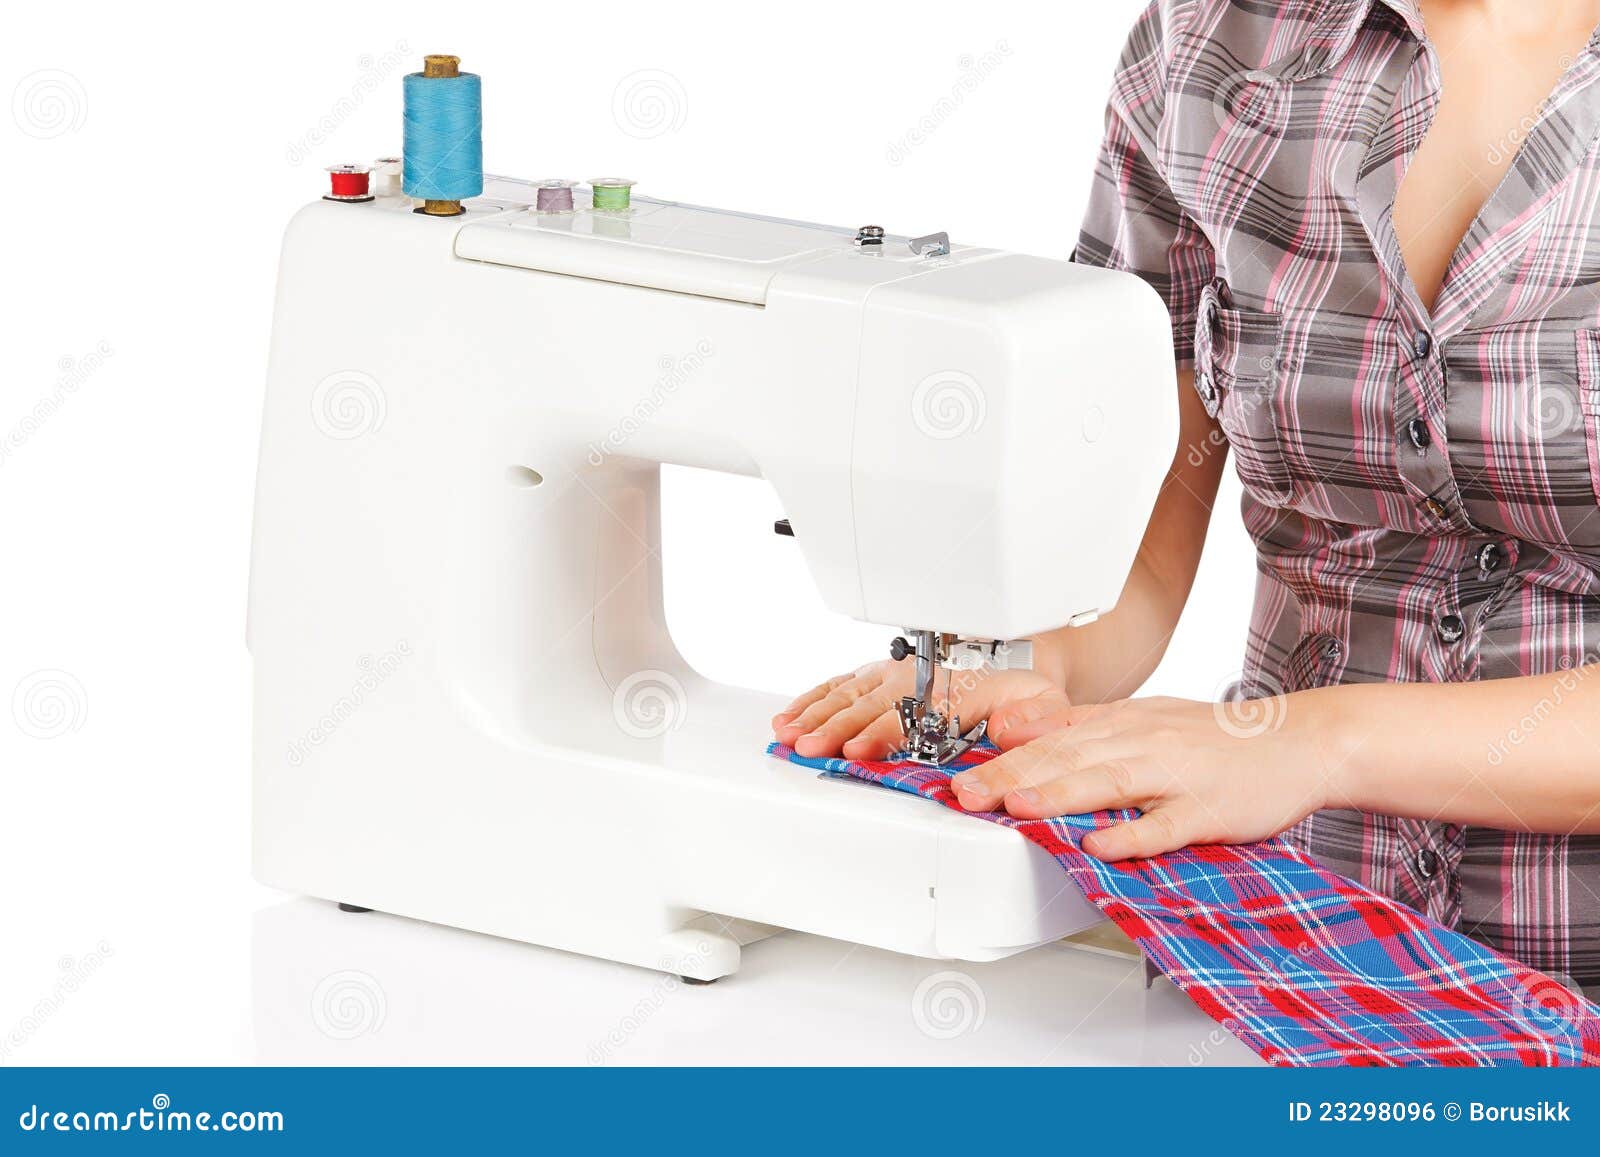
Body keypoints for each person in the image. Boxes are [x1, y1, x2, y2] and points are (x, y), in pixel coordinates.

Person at [773, 0, 1600, 986]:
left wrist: (1310, 743)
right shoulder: (1205, 49)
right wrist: (1035, 669)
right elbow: (1143, 552)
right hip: (1280, 940)